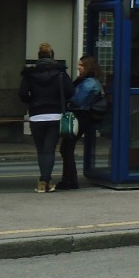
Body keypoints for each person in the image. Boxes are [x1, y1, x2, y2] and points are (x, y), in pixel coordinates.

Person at [19, 43, 74, 194]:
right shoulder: (61, 73)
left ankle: (43, 181)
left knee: (41, 150)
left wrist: (32, 101)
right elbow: (70, 92)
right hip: (55, 115)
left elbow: (23, 94)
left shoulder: (30, 74)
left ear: (38, 57)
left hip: (36, 115)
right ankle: (45, 181)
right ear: (52, 57)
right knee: (49, 150)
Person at [56, 55, 104, 190]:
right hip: (81, 115)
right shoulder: (87, 81)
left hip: (81, 115)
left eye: (81, 65)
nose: (78, 67)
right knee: (66, 148)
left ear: (88, 67)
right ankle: (69, 179)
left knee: (66, 148)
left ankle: (70, 180)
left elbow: (77, 100)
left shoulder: (89, 83)